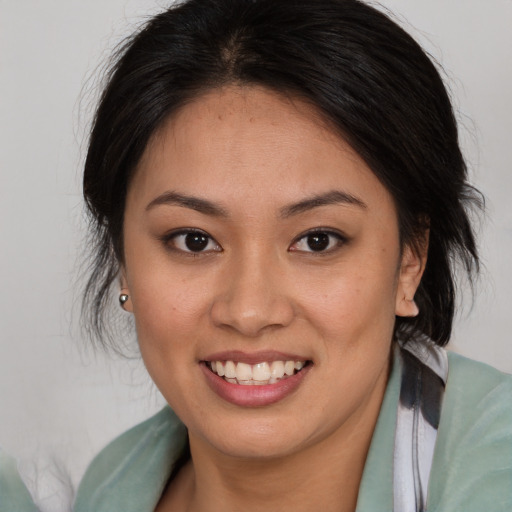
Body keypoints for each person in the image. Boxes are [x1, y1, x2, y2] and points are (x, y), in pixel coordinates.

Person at [5, 0, 509, 511]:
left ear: (410, 261)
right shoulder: (102, 485)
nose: (248, 312)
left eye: (318, 240)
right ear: (123, 258)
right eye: (193, 240)